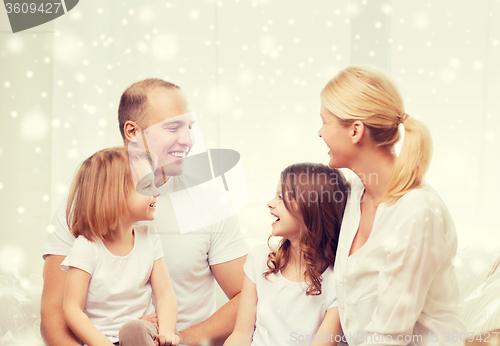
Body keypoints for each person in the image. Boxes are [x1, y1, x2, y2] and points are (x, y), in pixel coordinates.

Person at [41, 79, 248, 346]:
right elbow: (55, 313)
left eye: (190, 127)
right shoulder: (83, 204)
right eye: (174, 127)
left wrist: (173, 340)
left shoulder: (209, 202)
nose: (188, 139)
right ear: (133, 131)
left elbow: (247, 296)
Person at [318, 66, 467, 345]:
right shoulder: (356, 192)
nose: (319, 132)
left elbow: (390, 336)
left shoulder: (418, 212)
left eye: (325, 121)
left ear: (355, 131)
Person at [61, 147, 180, 346]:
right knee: (132, 329)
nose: (157, 192)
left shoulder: (149, 237)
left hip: (146, 333)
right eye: (147, 185)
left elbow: (165, 293)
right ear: (115, 194)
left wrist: (166, 332)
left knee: (134, 329)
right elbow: (72, 308)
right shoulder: (86, 247)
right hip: (104, 340)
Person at [224, 163, 349, 346]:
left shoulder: (338, 282)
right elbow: (241, 333)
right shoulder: (259, 259)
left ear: (311, 209)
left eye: (281, 197)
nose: (270, 203)